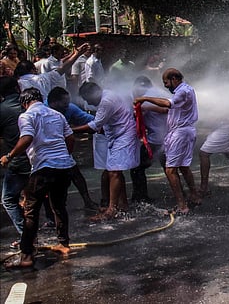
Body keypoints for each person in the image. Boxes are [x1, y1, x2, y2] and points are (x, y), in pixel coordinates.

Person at [0, 88, 76, 269]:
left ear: (24, 102)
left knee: (30, 210)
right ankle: (64, 244)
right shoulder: (57, 114)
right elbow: (70, 137)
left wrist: (9, 156)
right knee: (58, 206)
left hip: (44, 167)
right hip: (64, 166)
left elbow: (27, 138)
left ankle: (26, 255)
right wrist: (64, 155)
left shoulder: (26, 116)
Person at [134, 68, 200, 215]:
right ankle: (194, 195)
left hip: (180, 133)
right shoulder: (186, 89)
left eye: (167, 83)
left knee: (170, 170)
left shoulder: (182, 91)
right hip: (183, 132)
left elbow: (168, 104)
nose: (166, 86)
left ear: (175, 79)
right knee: (183, 166)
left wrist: (144, 100)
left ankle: (182, 206)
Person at [72, 82, 140, 221]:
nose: (88, 102)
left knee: (114, 172)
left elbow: (95, 126)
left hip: (123, 135)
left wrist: (70, 130)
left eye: (88, 99)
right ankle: (123, 204)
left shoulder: (106, 101)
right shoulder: (109, 95)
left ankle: (112, 209)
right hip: (118, 135)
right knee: (116, 171)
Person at [46, 87, 100, 211]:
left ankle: (87, 201)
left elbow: (90, 119)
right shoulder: (42, 111)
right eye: (64, 104)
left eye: (68, 103)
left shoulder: (69, 108)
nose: (67, 106)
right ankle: (49, 212)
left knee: (76, 174)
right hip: (45, 152)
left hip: (63, 150)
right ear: (53, 102)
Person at [130, 76, 169, 204]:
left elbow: (166, 109)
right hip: (167, 136)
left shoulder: (146, 99)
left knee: (137, 167)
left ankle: (141, 197)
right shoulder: (158, 92)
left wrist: (144, 108)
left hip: (158, 139)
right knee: (169, 167)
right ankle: (183, 194)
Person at [1, 76, 28, 242]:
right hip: (40, 160)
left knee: (9, 199)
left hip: (18, 162)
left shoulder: (2, 109)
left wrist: (8, 156)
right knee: (34, 199)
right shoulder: (29, 105)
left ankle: (27, 237)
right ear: (18, 87)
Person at [15, 43, 90, 98]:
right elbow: (62, 69)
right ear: (32, 70)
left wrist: (75, 53)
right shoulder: (43, 77)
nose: (62, 53)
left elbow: (63, 65)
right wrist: (77, 54)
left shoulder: (17, 84)